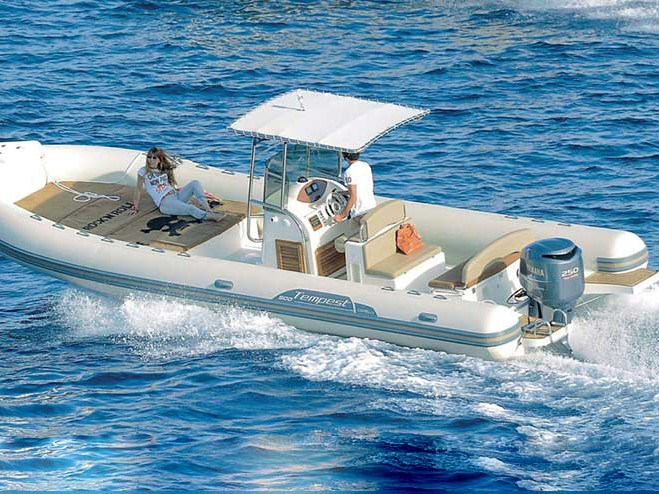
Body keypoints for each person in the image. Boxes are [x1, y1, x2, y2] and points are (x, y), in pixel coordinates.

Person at [131, 147, 222, 221]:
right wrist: (135, 207)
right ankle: (209, 216)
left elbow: (170, 183)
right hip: (165, 202)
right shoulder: (143, 171)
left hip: (176, 195)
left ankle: (208, 210)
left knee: (195, 183)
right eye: (149, 157)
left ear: (159, 160)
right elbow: (138, 190)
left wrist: (177, 189)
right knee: (190, 208)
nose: (151, 160)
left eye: (154, 158)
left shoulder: (163, 169)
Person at [333, 151, 376, 222]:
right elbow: (359, 188)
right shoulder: (365, 165)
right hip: (371, 207)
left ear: (345, 157)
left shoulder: (349, 172)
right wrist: (340, 193)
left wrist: (341, 216)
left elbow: (353, 197)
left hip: (360, 212)